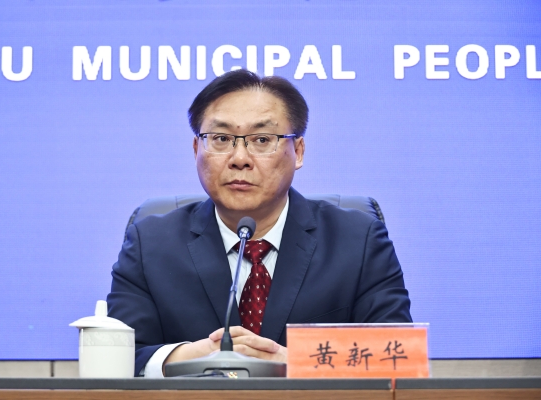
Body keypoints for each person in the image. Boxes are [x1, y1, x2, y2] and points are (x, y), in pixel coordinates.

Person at [107, 69, 411, 377]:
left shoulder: (358, 241)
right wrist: (201, 355)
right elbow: (118, 358)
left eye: (262, 139)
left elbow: (397, 356)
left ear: (298, 152)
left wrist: (294, 362)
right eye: (221, 139)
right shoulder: (150, 245)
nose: (240, 158)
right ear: (197, 149)